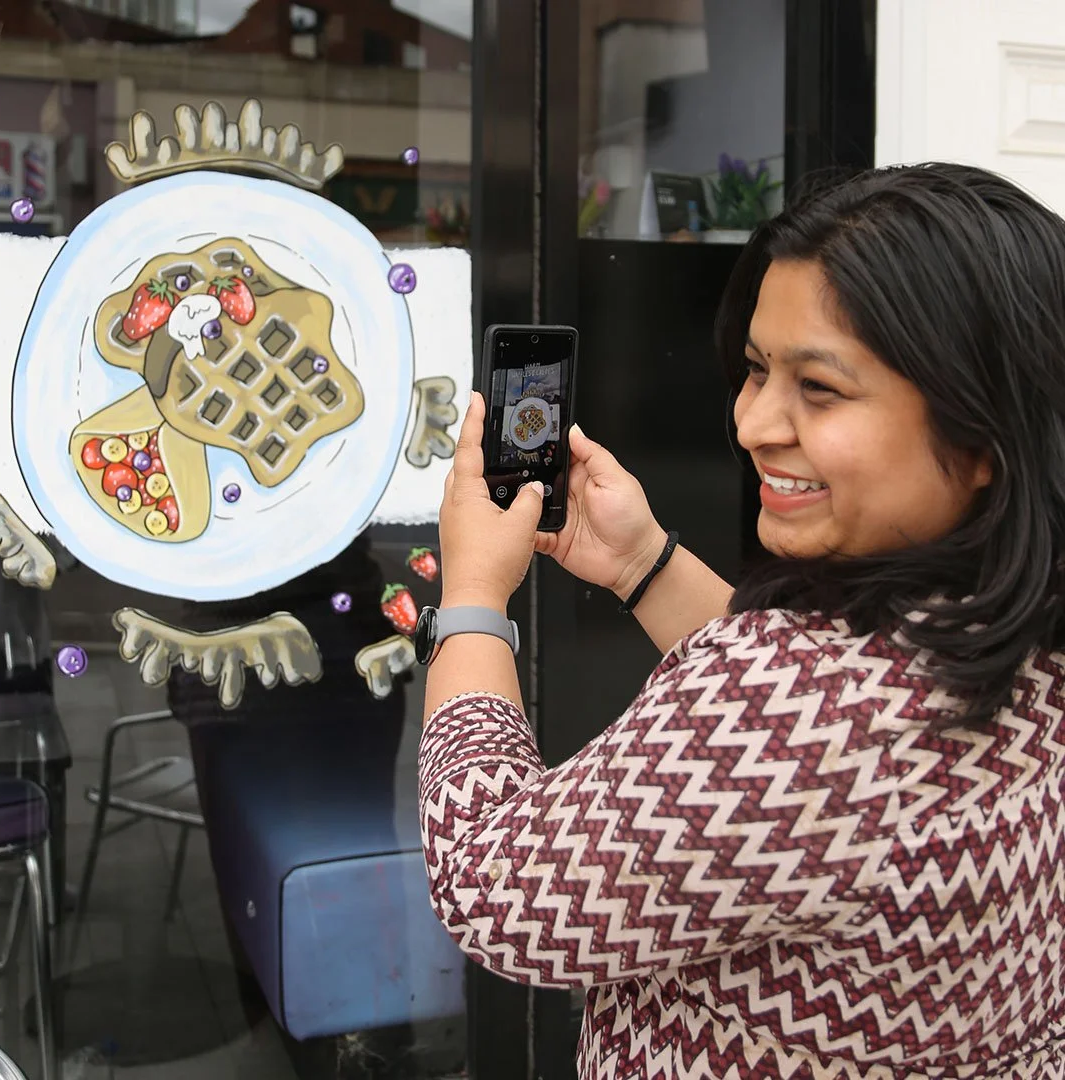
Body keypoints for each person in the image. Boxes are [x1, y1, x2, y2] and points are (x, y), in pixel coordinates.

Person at [418, 163, 1065, 1079]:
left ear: (985, 432)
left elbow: (493, 886)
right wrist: (642, 563)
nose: (755, 422)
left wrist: (474, 598)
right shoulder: (1013, 634)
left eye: (820, 388)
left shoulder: (800, 703)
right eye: (757, 370)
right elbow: (801, 759)